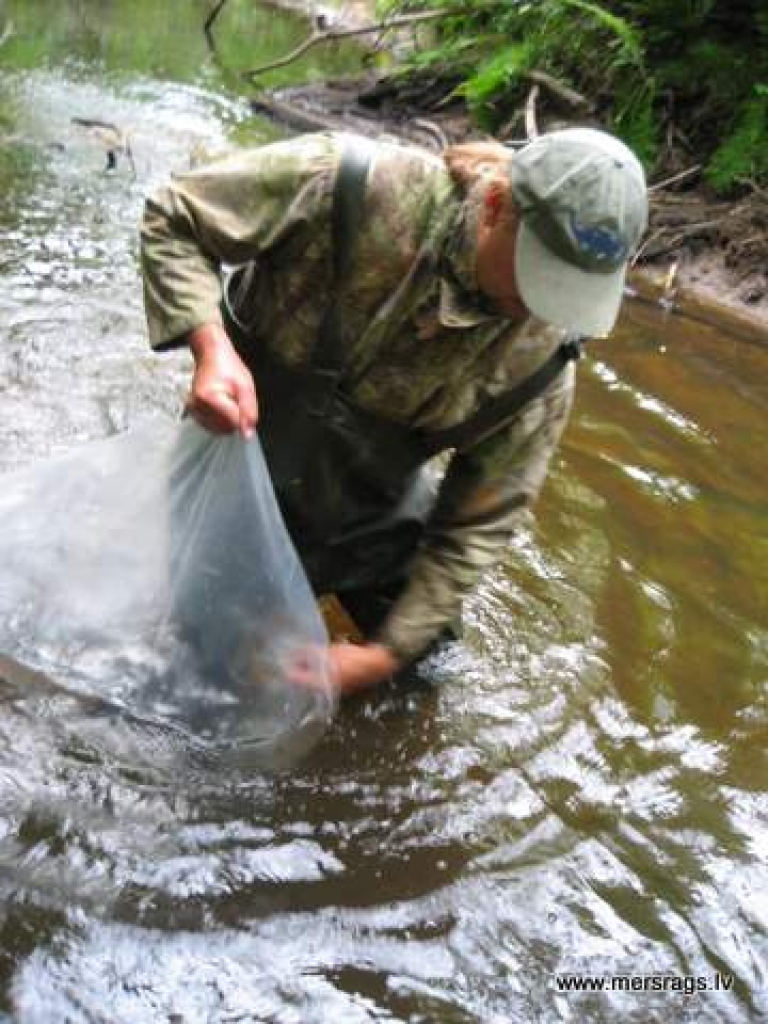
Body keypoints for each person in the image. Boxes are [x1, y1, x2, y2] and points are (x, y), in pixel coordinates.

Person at [140, 127, 648, 695]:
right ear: (495, 206)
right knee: (197, 676)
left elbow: (475, 527)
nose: (539, 308)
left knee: (426, 670)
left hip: (367, 516)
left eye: (566, 291)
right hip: (234, 472)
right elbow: (174, 216)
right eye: (539, 273)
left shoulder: (543, 365)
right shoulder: (349, 183)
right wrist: (210, 349)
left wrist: (380, 658)